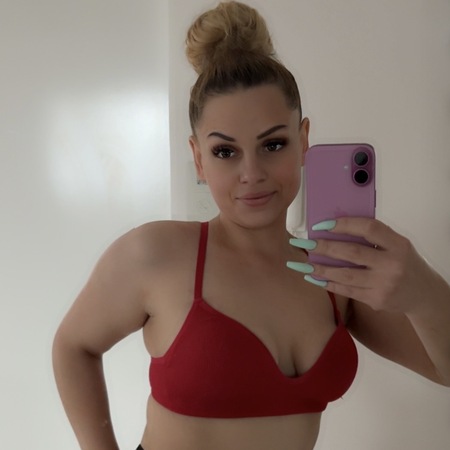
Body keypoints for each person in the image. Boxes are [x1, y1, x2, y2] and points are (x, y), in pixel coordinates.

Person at [52, 2, 450, 449]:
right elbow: (73, 347)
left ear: (303, 140)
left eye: (273, 144)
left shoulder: (336, 273)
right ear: (198, 158)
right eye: (225, 152)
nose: (251, 173)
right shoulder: (155, 254)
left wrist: (422, 288)